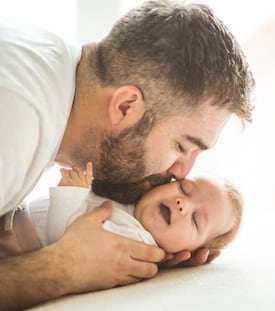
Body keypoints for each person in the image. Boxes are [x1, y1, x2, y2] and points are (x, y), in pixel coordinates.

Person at [0, 0, 254, 309]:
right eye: (181, 147)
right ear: (125, 107)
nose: (182, 172)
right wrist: (63, 267)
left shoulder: (45, 64)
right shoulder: (16, 121)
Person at [25, 163, 242, 261]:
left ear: (192, 251)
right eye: (184, 188)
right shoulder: (128, 199)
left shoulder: (136, 241)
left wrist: (71, 193)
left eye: (196, 220)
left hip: (16, 246)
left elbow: (66, 245)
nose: (182, 203)